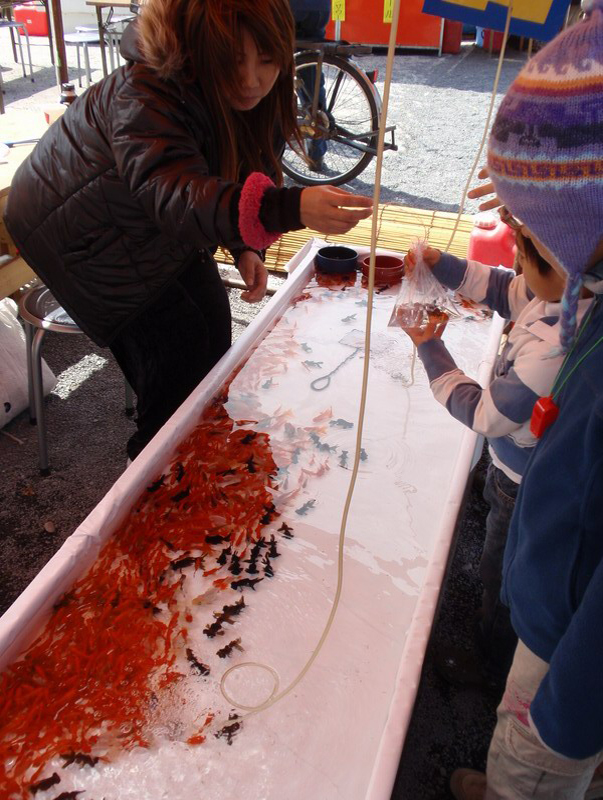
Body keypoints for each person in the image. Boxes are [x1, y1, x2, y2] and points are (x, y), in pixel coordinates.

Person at [4, 0, 371, 462]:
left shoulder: (241, 91)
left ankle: (195, 447)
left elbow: (225, 176)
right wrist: (290, 207)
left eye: (267, 59)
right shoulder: (145, 92)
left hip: (141, 215)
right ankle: (155, 477)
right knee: (176, 348)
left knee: (214, 318)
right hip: (74, 228)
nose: (252, 79)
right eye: (236, 60)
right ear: (202, 49)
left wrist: (241, 246)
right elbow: (177, 193)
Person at [444, 1, 603, 797]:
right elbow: (514, 289)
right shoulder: (586, 300)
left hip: (570, 671)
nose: (510, 246)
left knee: (531, 763)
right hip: (553, 597)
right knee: (523, 736)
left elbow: (484, 412)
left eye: (527, 236)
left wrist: (570, 719)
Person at [402, 226, 592, 694]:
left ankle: (493, 659)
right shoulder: (573, 290)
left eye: (525, 257)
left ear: (562, 271)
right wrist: (439, 263)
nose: (517, 266)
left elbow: (487, 415)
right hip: (517, 467)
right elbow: (503, 288)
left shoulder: (556, 347)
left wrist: (430, 347)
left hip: (524, 486)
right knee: (497, 529)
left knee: (505, 572)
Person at [290, 0, 332, 170]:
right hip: (320, 9)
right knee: (311, 70)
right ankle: (316, 154)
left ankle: (268, 148)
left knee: (270, 56)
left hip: (290, 7)